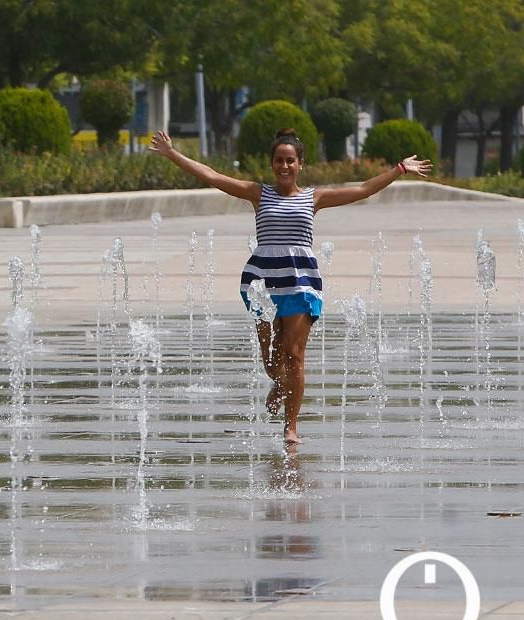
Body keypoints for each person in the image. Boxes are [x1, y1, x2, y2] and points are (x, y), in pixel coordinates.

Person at [149, 127, 431, 445]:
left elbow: (364, 189)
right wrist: (172, 153)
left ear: (300, 164)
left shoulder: (315, 198)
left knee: (294, 354)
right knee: (272, 362)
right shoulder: (259, 194)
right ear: (272, 164)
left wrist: (399, 169)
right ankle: (279, 384)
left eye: (290, 161)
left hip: (300, 283)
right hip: (262, 284)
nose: (284, 167)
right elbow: (214, 177)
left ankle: (291, 426)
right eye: (279, 161)